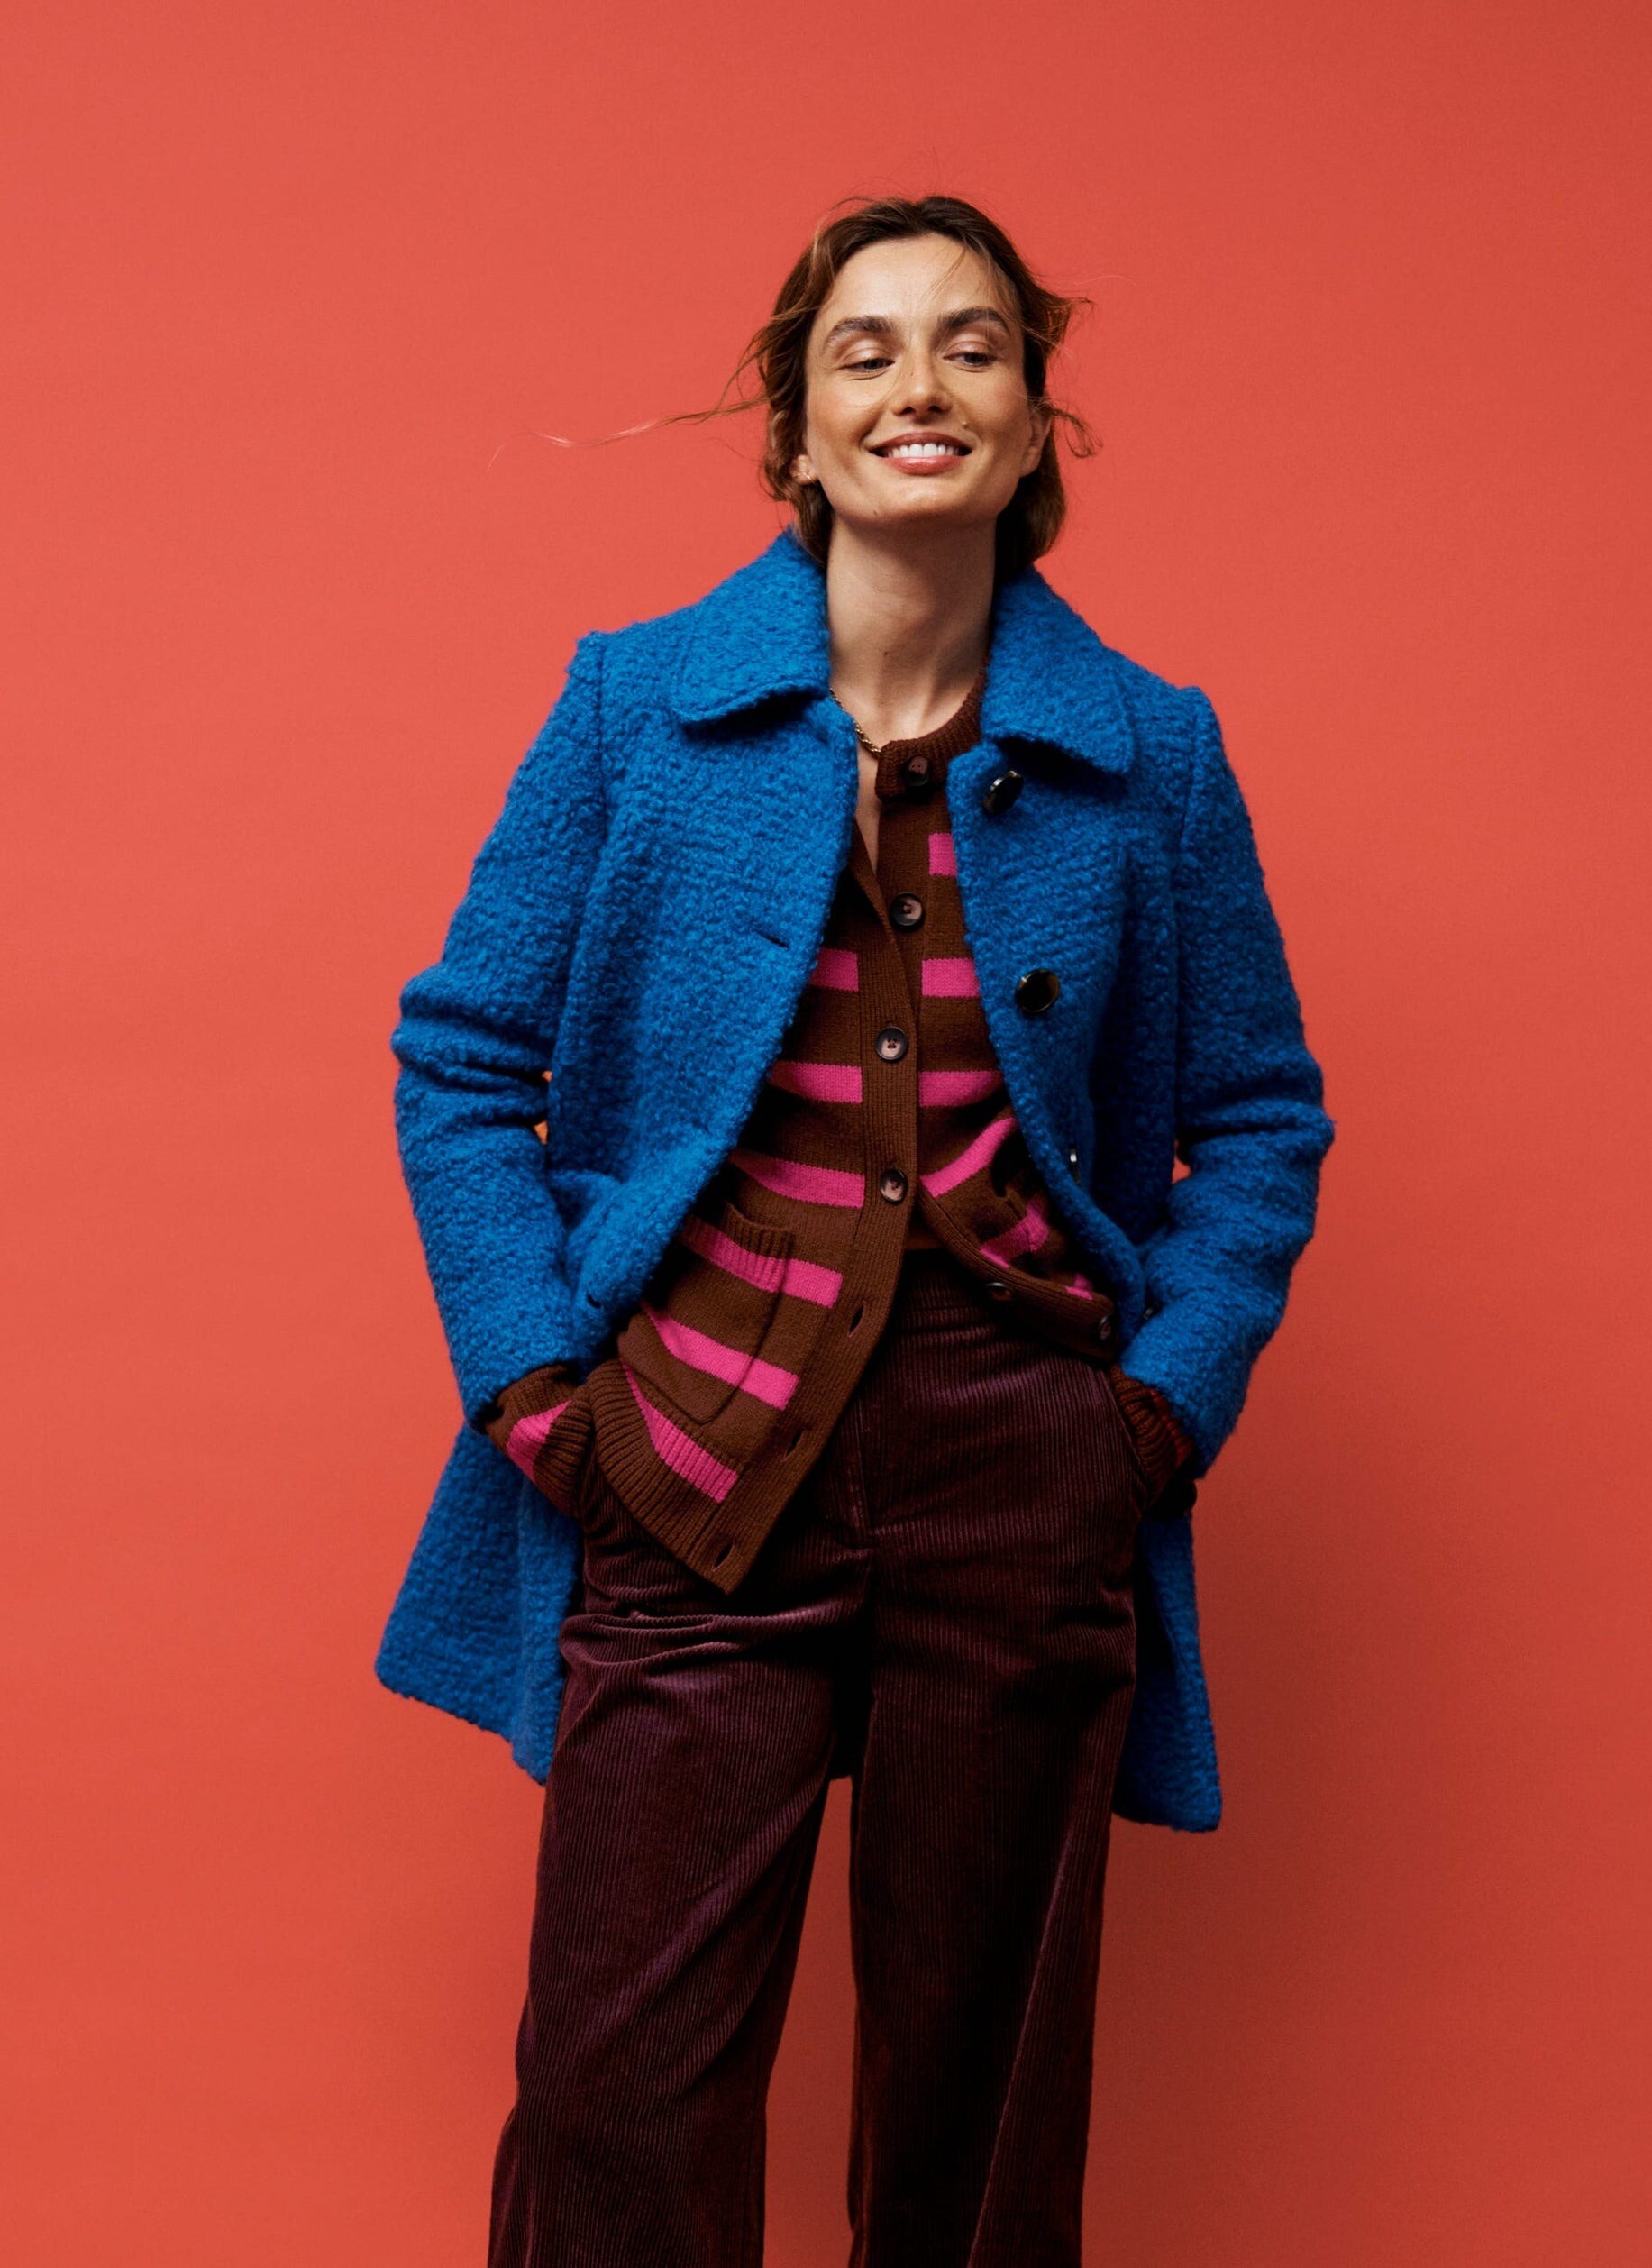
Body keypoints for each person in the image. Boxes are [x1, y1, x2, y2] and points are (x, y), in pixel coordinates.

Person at [376, 191, 1335, 2268]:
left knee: (976, 2135)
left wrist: (1151, 1416)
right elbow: (461, 1055)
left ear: (1034, 422)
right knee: (617, 2110)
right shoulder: (636, 706)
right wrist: (537, 1392)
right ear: (796, 431)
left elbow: (1259, 1116)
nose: (921, 383)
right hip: (693, 1445)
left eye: (973, 345)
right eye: (865, 348)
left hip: (1025, 1472)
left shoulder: (1150, 754)